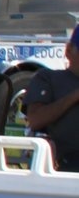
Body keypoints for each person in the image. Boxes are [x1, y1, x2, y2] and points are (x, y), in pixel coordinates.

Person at [25, 24, 79, 171]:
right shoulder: (48, 78)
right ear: (68, 51)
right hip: (67, 163)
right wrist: (74, 96)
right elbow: (35, 120)